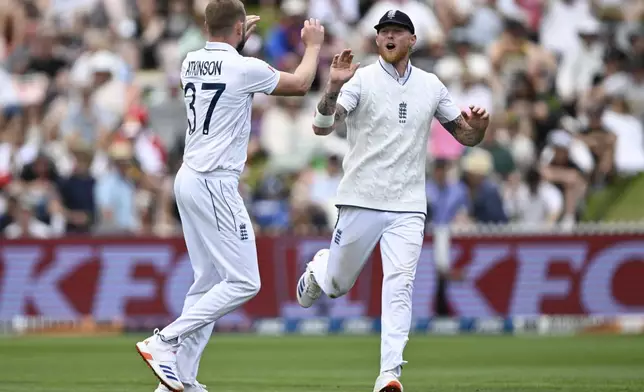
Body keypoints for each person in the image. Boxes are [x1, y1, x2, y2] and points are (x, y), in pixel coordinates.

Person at [134, 1, 326, 391]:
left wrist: (236, 38)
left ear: (206, 26)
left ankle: (181, 381)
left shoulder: (189, 61)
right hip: (214, 182)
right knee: (244, 282)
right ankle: (164, 340)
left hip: (188, 177)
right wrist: (314, 46)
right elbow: (302, 83)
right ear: (239, 28)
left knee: (206, 281)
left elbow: (221, 63)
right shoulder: (244, 67)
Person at [295, 9, 489, 392]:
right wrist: (333, 86)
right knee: (337, 284)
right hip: (361, 198)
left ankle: (389, 374)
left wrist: (479, 129)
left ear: (412, 40)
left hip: (408, 205)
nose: (388, 37)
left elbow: (465, 137)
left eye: (397, 32)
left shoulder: (431, 85)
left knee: (400, 284)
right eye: (384, 31)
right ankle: (320, 268)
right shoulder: (361, 79)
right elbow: (321, 127)